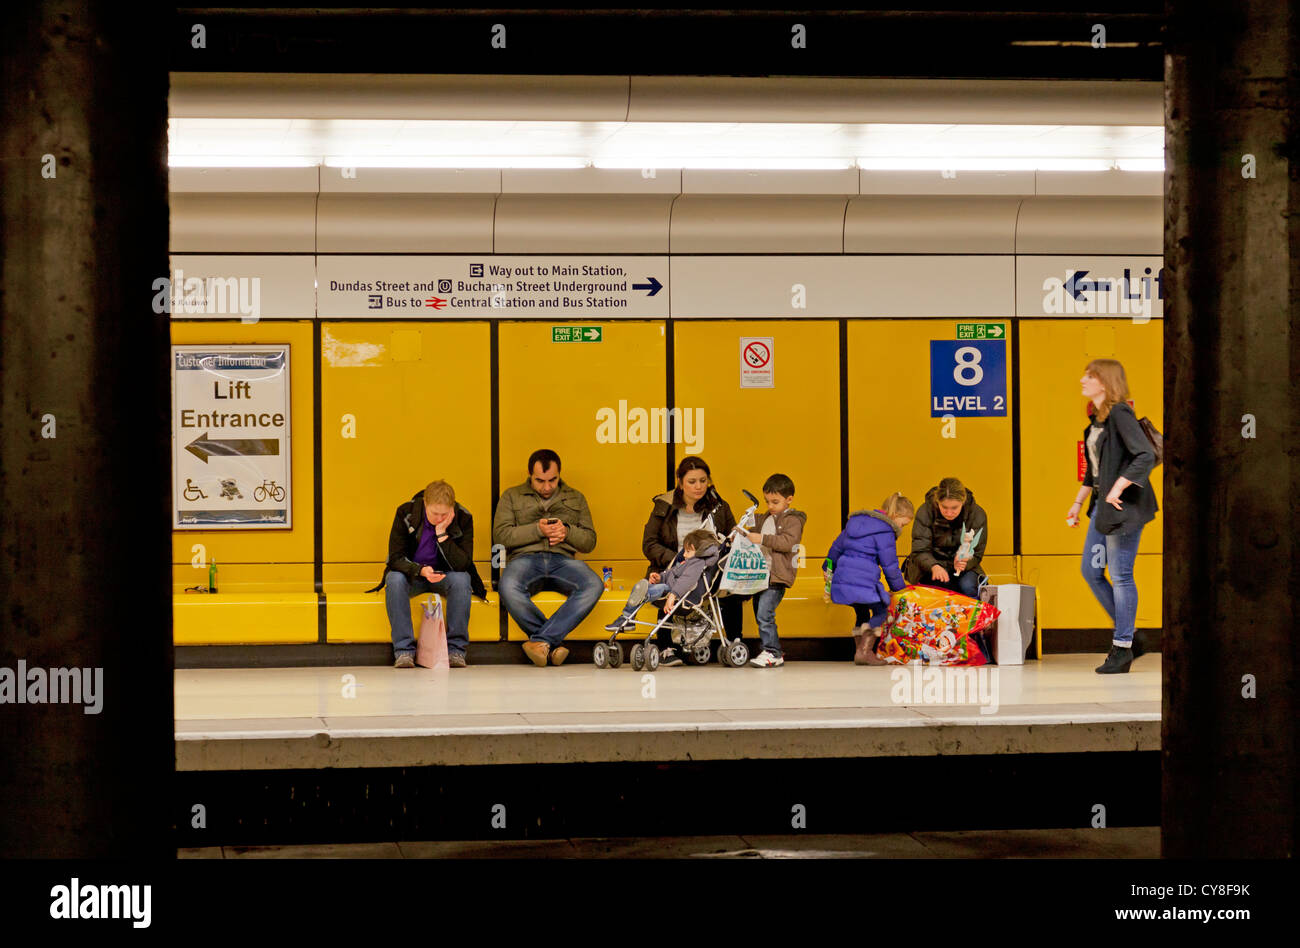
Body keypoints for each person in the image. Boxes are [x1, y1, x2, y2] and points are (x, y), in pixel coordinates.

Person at [1067, 359, 1158, 674]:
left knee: (1120, 575)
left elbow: (1144, 454)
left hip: (1124, 509)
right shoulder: (1096, 421)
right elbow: (1094, 472)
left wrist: (1118, 487)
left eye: (1089, 376)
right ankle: (1131, 636)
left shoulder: (1120, 413)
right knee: (1091, 572)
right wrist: (1078, 504)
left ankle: (1122, 648)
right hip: (1101, 509)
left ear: (1105, 382)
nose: (1083, 380)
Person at [493, 449, 603, 667]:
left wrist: (568, 532)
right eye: (540, 481)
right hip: (524, 560)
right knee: (507, 587)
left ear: (560, 474)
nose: (547, 487)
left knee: (594, 584)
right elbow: (501, 536)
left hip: (563, 560)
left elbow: (590, 541)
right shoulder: (511, 496)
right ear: (529, 474)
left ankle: (541, 642)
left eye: (552, 480)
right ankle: (551, 644)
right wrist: (537, 530)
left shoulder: (576, 497)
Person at [366, 480, 488, 668]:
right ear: (425, 504)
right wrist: (420, 570)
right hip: (414, 574)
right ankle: (404, 651)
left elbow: (464, 563)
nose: (439, 518)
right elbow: (395, 557)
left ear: (452, 509)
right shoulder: (405, 513)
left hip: (446, 574)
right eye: (434, 514)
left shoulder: (463, 517)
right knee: (394, 580)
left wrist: (442, 534)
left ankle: (456, 651)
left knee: (463, 580)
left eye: (444, 514)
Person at [641, 455, 740, 666]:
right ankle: (666, 647)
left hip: (706, 567)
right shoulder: (664, 506)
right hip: (672, 564)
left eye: (703, 481)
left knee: (730, 582)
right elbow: (649, 544)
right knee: (666, 583)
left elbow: (733, 538)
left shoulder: (719, 506)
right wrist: (676, 560)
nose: (699, 487)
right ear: (680, 482)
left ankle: (733, 640)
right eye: (692, 482)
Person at [825, 493, 915, 665]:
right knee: (881, 609)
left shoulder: (854, 524)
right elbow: (890, 566)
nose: (902, 529)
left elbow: (835, 549)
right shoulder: (885, 531)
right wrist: (900, 589)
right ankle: (865, 652)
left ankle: (859, 651)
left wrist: (827, 570)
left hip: (843, 579)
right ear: (895, 516)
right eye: (903, 524)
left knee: (862, 612)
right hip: (863, 580)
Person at [742, 474, 806, 668]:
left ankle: (773, 651)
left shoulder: (793, 520)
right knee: (760, 613)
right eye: (767, 501)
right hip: (760, 575)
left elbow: (788, 542)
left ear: (789, 499)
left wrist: (761, 538)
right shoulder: (765, 518)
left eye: (775, 502)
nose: (770, 506)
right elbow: (751, 532)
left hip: (776, 577)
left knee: (764, 613)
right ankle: (768, 649)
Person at [604, 529, 721, 631]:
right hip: (669, 588)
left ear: (700, 551)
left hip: (679, 594)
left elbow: (687, 580)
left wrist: (672, 595)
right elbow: (672, 573)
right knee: (642, 586)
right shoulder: (689, 561)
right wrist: (660, 577)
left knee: (647, 589)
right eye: (684, 551)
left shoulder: (697, 563)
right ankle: (627, 617)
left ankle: (631, 612)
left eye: (688, 551)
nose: (684, 555)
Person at [905, 477, 988, 598]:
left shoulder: (977, 514)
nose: (949, 513)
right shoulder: (925, 511)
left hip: (963, 567)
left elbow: (977, 553)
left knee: (969, 587)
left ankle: (973, 616)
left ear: (963, 502)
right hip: (931, 566)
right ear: (937, 501)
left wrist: (965, 562)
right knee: (941, 586)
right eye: (944, 507)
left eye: (954, 508)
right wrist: (934, 566)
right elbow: (919, 550)